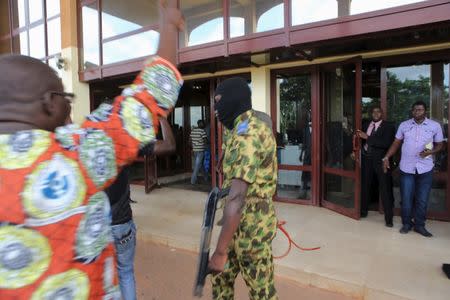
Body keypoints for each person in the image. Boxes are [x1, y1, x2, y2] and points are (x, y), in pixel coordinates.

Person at [0, 1, 184, 298]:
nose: (69, 107)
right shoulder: (76, 151)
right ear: (49, 102)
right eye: (66, 97)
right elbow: (148, 97)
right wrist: (168, 28)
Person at [209, 77, 278, 300]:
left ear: (233, 100)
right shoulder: (238, 129)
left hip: (252, 227)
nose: (215, 109)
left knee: (261, 291)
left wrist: (220, 252)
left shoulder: (247, 134)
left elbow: (238, 197)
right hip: (235, 223)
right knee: (220, 279)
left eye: (219, 102)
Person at [105, 117, 175, 300]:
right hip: (122, 224)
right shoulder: (126, 141)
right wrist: (161, 118)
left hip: (98, 227)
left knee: (103, 279)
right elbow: (169, 145)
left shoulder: (85, 141)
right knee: (125, 272)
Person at [383, 101, 444, 237]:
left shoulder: (435, 126)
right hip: (407, 168)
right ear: (412, 111)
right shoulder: (404, 125)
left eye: (420, 110)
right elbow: (396, 143)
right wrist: (386, 157)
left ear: (425, 111)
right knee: (406, 198)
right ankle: (406, 223)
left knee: (422, 199)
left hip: (425, 168)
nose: (417, 112)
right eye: (415, 110)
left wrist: (430, 152)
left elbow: (440, 145)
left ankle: (419, 225)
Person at [356, 106, 396, 227]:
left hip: (381, 161)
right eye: (373, 111)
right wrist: (355, 151)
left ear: (382, 113)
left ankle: (389, 219)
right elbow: (359, 139)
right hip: (366, 160)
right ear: (371, 113)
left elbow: (386, 143)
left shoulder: (388, 126)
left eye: (378, 111)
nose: (376, 113)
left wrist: (367, 137)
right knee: (365, 186)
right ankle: (363, 212)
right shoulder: (365, 124)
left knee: (385, 188)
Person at [190, 119, 208, 184]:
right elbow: (205, 141)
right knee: (197, 166)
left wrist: (193, 147)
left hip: (195, 150)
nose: (204, 124)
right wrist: (208, 143)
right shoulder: (202, 131)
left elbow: (189, 141)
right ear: (200, 124)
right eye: (203, 123)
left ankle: (206, 177)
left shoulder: (193, 131)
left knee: (200, 165)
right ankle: (193, 181)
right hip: (200, 151)